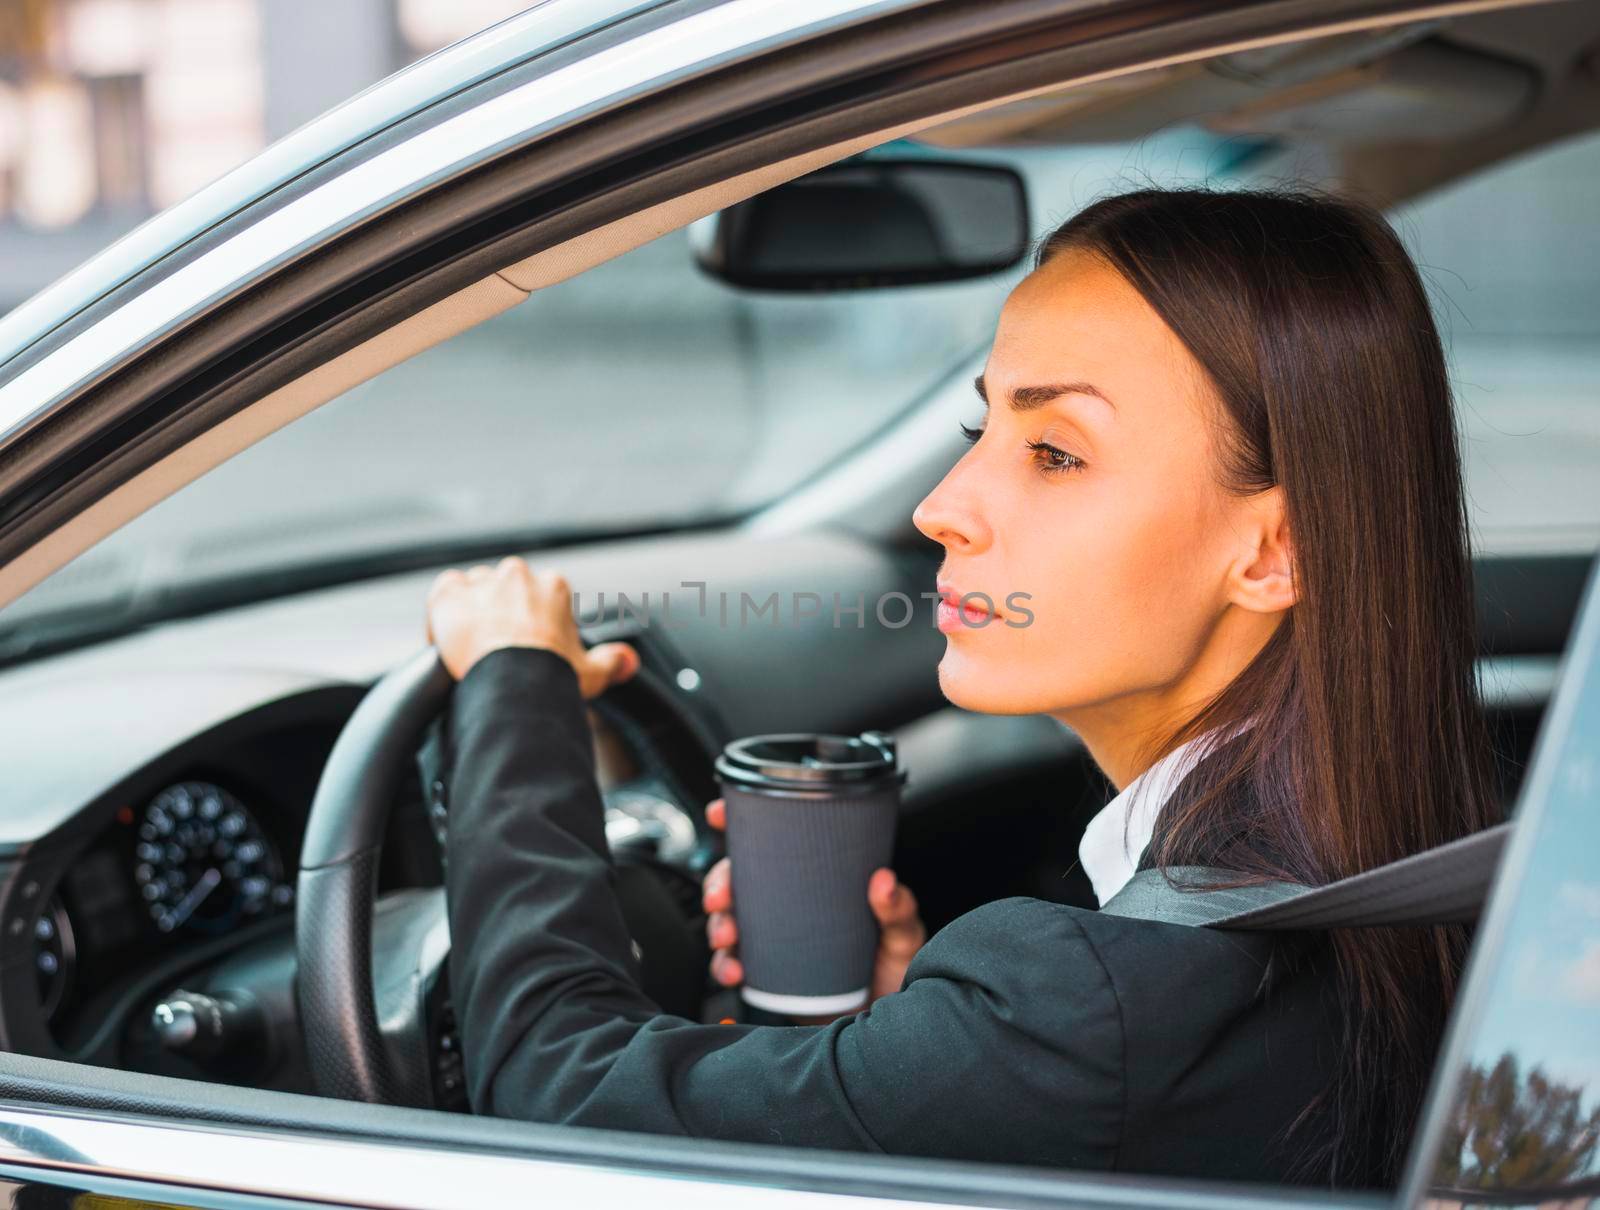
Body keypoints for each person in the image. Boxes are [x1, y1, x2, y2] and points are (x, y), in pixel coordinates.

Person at [422, 184, 1497, 1189]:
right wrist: (914, 1048)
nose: (942, 507)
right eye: (981, 430)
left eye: (1056, 453)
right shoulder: (1428, 878)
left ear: (1272, 552)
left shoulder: (1090, 1003)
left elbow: (556, 1106)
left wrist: (517, 693)